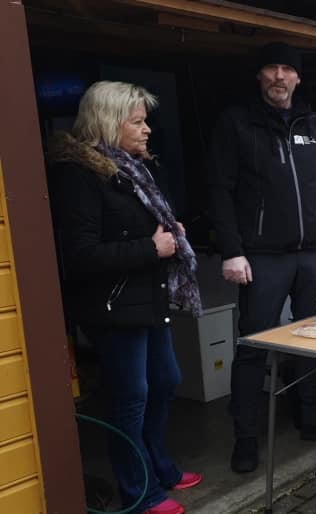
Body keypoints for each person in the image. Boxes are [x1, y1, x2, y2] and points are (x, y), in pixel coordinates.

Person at [207, 42, 316, 474]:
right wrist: (233, 250)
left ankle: (315, 418)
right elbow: (220, 190)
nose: (279, 76)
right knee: (254, 344)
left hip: (314, 254)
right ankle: (246, 437)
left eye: (287, 69)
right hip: (261, 257)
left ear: (297, 77)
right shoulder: (237, 124)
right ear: (260, 76)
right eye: (271, 68)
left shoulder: (315, 125)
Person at [47, 81, 202, 514]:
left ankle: (161, 467)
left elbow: (140, 226)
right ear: (108, 121)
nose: (147, 129)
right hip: (113, 308)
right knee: (131, 397)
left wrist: (171, 233)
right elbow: (80, 254)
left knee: (167, 382)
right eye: (137, 121)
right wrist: (152, 247)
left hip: (147, 300)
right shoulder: (78, 175)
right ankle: (141, 492)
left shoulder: (132, 168)